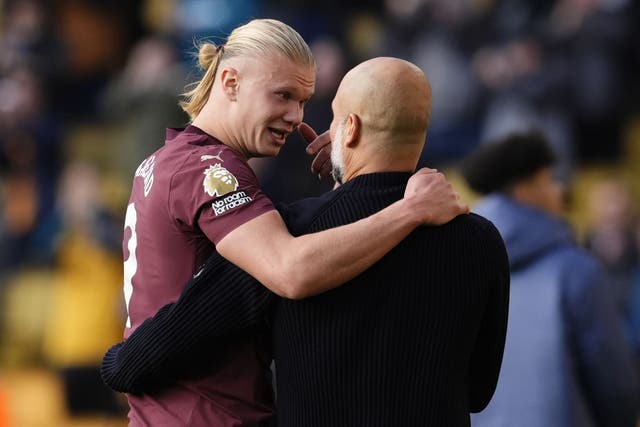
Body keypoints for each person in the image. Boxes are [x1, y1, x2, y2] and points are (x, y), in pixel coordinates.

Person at [102, 57, 509, 426]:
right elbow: (478, 391)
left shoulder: (290, 231)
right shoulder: (481, 239)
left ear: (348, 129)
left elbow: (152, 352)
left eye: (332, 118)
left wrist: (115, 362)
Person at [459, 132, 639, 427]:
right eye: (551, 179)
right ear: (526, 190)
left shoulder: (462, 267)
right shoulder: (576, 270)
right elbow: (615, 388)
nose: (560, 190)